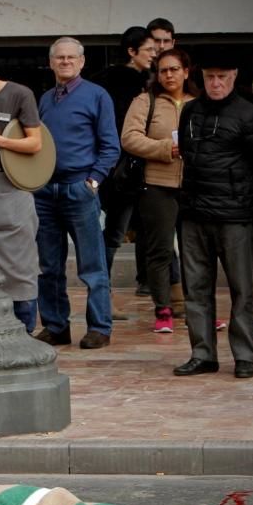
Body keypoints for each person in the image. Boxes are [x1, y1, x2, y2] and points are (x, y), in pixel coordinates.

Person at [173, 49, 253, 379]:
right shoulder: (189, 111)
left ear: (234, 77)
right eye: (210, 76)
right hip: (193, 212)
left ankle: (244, 356)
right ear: (201, 78)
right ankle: (203, 353)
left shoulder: (250, 115)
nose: (216, 83)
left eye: (222, 77)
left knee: (242, 289)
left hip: (234, 215)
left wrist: (242, 197)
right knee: (196, 289)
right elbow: (185, 154)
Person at [34, 37, 120, 350]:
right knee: (48, 266)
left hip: (80, 189)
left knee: (93, 266)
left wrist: (94, 180)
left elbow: (111, 145)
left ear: (82, 62)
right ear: (51, 62)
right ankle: (56, 327)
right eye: (60, 58)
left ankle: (99, 328)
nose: (66, 62)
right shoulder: (45, 99)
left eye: (71, 57)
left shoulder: (97, 96)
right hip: (44, 192)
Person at [121, 48, 197, 333]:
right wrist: (166, 148)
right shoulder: (146, 101)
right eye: (163, 70)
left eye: (174, 69)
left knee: (194, 251)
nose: (169, 75)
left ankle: (197, 309)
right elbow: (129, 138)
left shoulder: (197, 102)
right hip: (157, 184)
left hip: (193, 186)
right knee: (160, 250)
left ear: (186, 72)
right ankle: (163, 309)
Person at [90, 26, 155, 316]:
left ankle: (170, 298)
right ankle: (102, 297)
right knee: (115, 234)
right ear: (132, 52)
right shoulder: (125, 84)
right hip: (125, 171)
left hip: (127, 169)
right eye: (150, 50)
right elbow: (119, 130)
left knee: (145, 232)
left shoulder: (117, 81)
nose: (155, 55)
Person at [0, 52, 43, 333]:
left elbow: (35, 144)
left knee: (21, 265)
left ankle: (26, 329)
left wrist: (0, 141)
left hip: (13, 186)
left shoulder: (20, 94)